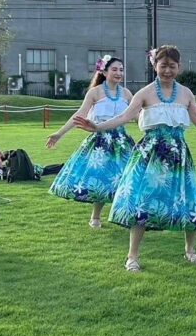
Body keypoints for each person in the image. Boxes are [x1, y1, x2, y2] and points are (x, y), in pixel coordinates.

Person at [73, 44, 196, 272]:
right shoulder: (144, 93)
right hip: (150, 153)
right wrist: (97, 127)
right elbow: (125, 116)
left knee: (187, 199)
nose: (167, 70)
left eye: (172, 66)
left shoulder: (186, 93)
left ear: (179, 67)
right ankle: (132, 256)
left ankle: (190, 251)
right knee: (144, 202)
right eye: (163, 65)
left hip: (179, 155)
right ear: (155, 65)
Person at [48, 54, 135, 228]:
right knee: (100, 179)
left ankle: (126, 216)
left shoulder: (126, 93)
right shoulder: (95, 92)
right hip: (100, 143)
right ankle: (95, 216)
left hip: (122, 142)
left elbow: (138, 114)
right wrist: (59, 133)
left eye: (121, 70)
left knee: (127, 179)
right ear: (104, 71)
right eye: (114, 69)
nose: (119, 73)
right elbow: (79, 115)